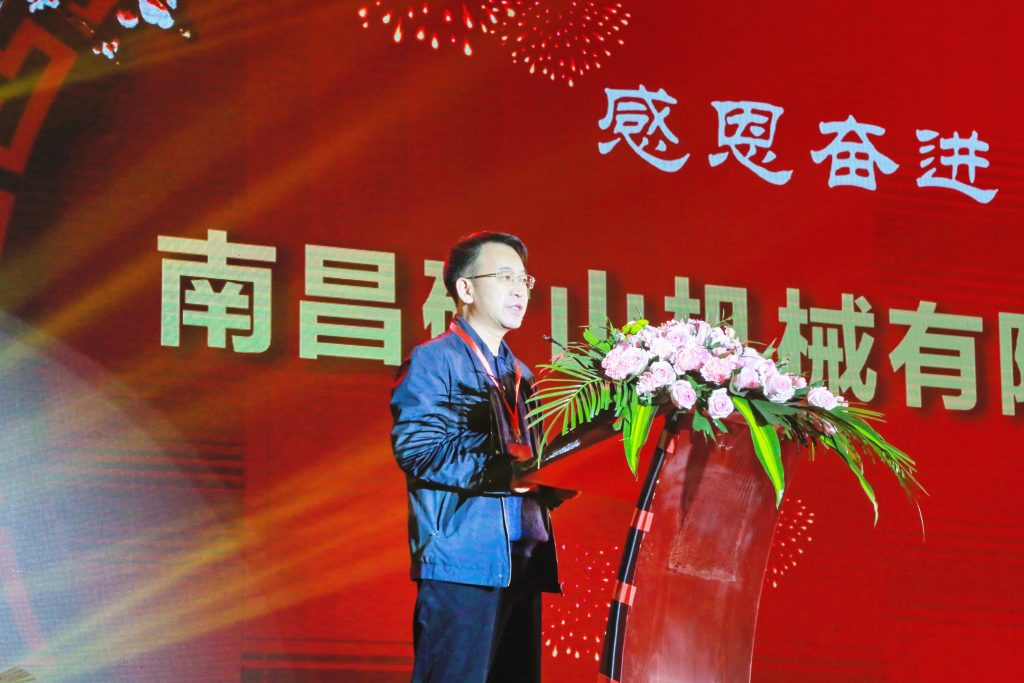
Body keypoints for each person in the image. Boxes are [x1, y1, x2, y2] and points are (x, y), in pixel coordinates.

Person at [390, 232, 568, 683]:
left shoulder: (521, 373)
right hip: (463, 560)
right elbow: (420, 450)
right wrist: (507, 472)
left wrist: (557, 476)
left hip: (523, 560)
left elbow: (528, 460)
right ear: (465, 289)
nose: (519, 289)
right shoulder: (434, 361)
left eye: (524, 279)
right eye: (505, 277)